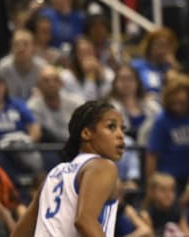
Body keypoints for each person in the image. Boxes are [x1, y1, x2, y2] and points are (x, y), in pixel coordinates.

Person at [11, 100, 125, 236]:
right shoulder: (102, 166)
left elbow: (18, 234)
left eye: (122, 129)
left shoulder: (55, 172)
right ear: (87, 133)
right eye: (111, 127)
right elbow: (85, 221)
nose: (120, 135)